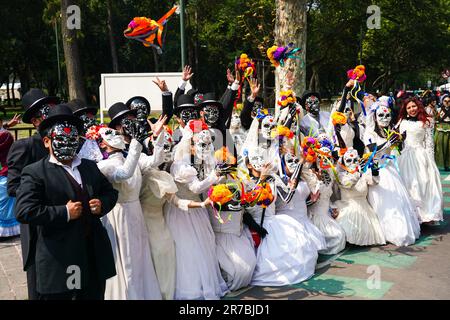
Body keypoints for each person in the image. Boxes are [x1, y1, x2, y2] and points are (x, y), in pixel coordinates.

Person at [14, 104, 118, 300]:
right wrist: (65, 212)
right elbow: (25, 210)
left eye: (72, 139)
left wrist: (102, 204)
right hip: (62, 256)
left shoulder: (88, 166)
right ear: (47, 141)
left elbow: (109, 192)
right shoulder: (36, 172)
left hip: (93, 252)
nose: (68, 144)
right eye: (61, 139)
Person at [96, 120, 165, 300]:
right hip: (118, 214)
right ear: (103, 144)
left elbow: (157, 160)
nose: (117, 136)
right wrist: (136, 142)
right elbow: (124, 173)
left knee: (139, 257)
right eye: (109, 136)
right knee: (125, 259)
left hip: (135, 212)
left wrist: (157, 137)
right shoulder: (105, 166)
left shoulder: (131, 159)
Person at [7, 88, 59, 300]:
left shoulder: (66, 143)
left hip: (65, 221)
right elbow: (13, 187)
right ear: (36, 120)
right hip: (38, 224)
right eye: (48, 112)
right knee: (39, 283)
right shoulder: (25, 146)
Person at [363, 101, 420, 246]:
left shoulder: (390, 130)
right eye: (381, 115)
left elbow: (396, 149)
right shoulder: (369, 132)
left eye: (387, 115)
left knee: (398, 201)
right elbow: (372, 150)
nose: (385, 118)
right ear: (375, 117)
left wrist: (400, 141)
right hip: (377, 172)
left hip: (390, 169)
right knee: (383, 204)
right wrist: (388, 143)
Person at [397, 97, 443, 224]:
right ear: (405, 110)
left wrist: (431, 161)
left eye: (414, 106)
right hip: (405, 156)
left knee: (424, 184)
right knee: (409, 185)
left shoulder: (427, 121)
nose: (412, 109)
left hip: (421, 156)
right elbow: (398, 140)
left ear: (418, 106)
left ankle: (425, 216)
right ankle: (412, 216)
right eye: (409, 107)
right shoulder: (402, 122)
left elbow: (429, 144)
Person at [0, 128, 19, 237]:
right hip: (5, 172)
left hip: (5, 172)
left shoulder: (5, 136)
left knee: (5, 201)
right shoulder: (5, 135)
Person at [435, 94, 450, 170]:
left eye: (449, 101)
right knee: (440, 148)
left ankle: (448, 164)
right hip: (440, 130)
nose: (447, 102)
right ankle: (441, 165)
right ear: (442, 101)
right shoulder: (438, 110)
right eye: (445, 101)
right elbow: (435, 119)